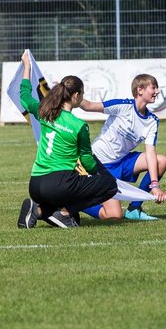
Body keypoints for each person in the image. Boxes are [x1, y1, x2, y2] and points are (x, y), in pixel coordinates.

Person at [17, 50, 117, 229]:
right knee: (110, 186)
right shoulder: (78, 125)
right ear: (76, 96)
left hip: (35, 184)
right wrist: (101, 175)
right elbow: (87, 160)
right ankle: (63, 214)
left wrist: (27, 67)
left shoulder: (44, 111)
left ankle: (37, 210)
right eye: (82, 93)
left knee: (76, 219)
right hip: (59, 183)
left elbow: (24, 97)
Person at [76, 73, 166, 221]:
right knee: (114, 216)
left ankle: (134, 208)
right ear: (140, 90)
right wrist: (69, 94)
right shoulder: (122, 106)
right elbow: (89, 106)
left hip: (121, 162)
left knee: (161, 161)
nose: (157, 91)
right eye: (153, 87)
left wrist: (154, 184)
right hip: (98, 164)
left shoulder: (152, 121)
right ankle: (71, 202)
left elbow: (150, 153)